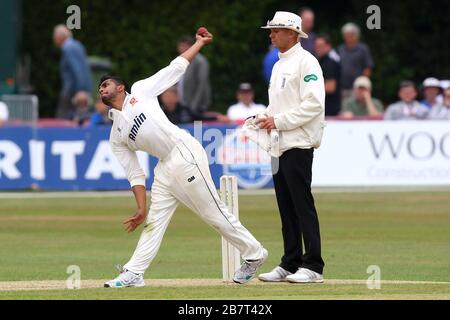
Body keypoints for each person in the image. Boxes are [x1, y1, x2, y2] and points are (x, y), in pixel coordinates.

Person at [99, 30, 267, 288]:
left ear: (120, 87)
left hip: (184, 151)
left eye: (106, 84)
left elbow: (175, 68)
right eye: (99, 88)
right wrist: (140, 208)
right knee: (154, 222)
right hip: (164, 167)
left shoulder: (141, 91)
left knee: (213, 214)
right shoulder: (116, 135)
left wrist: (199, 43)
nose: (102, 88)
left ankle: (255, 254)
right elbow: (134, 173)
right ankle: (134, 272)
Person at [253, 11, 325, 283]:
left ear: (293, 33)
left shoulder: (307, 63)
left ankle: (314, 266)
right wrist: (264, 118)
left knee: (301, 204)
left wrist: (278, 121)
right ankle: (290, 262)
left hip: (298, 142)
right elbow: (278, 106)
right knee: (285, 206)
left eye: (277, 30)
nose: (271, 34)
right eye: (271, 30)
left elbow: (313, 104)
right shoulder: (278, 65)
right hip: (277, 146)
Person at [53, 25, 92, 124]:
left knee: (63, 120)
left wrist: (81, 90)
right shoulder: (76, 45)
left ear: (59, 37)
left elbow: (78, 69)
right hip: (74, 91)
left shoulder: (68, 48)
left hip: (72, 92)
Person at [338, 23, 374, 102]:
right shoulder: (340, 49)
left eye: (350, 35)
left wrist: (362, 85)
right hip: (342, 88)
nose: (347, 38)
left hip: (358, 89)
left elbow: (367, 68)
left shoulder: (363, 49)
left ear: (356, 36)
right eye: (346, 35)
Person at [176, 35, 211, 113]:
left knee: (196, 125)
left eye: (184, 46)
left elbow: (202, 84)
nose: (182, 48)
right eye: (180, 46)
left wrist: (193, 106)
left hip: (197, 106)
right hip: (182, 105)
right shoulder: (179, 60)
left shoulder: (200, 61)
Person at [160, 86, 228, 124]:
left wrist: (216, 118)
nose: (168, 99)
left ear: (177, 97)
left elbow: (200, 117)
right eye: (166, 96)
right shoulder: (159, 112)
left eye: (170, 96)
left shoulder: (185, 109)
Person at [314, 34, 341, 116]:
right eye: (316, 46)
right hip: (324, 106)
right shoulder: (321, 61)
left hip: (329, 107)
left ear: (328, 46)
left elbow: (330, 87)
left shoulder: (329, 63)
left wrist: (310, 88)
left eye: (320, 46)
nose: (317, 48)